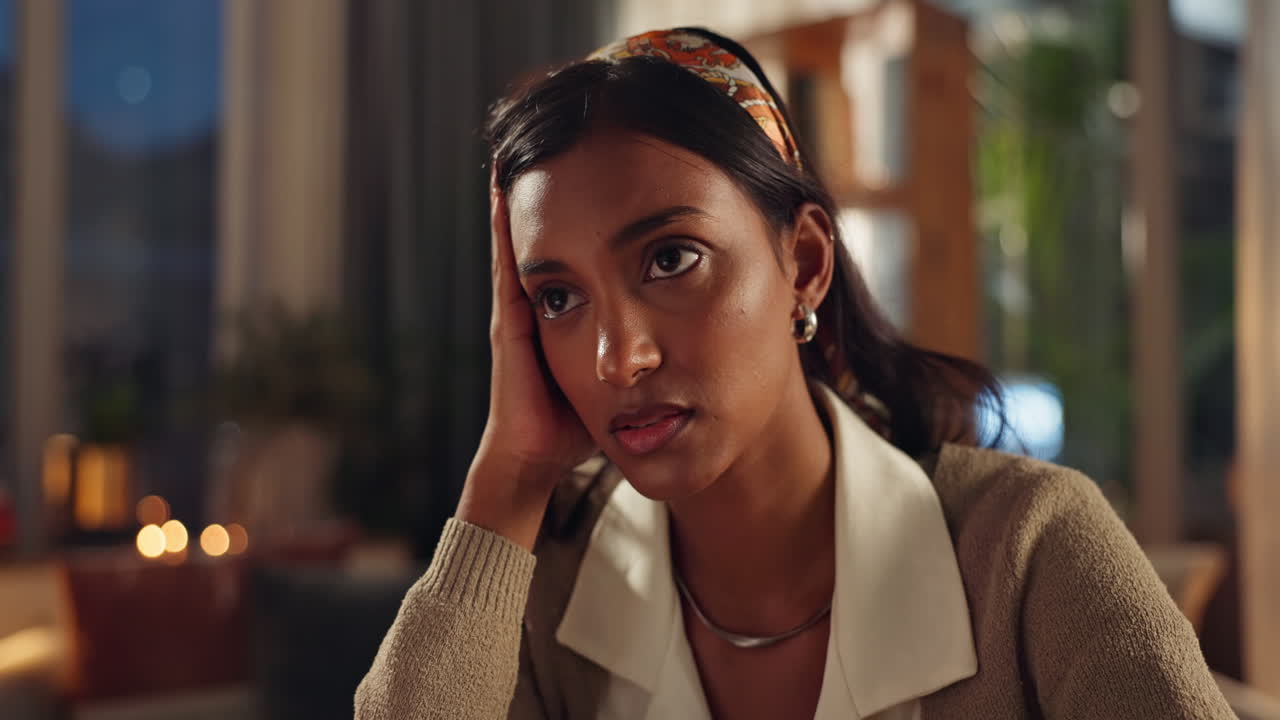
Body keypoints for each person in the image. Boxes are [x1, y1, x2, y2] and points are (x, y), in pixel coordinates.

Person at [355, 28, 1234, 719]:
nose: (618, 358)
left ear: (805, 262)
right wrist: (510, 478)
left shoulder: (1030, 550)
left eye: (671, 258)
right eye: (557, 298)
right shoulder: (544, 586)